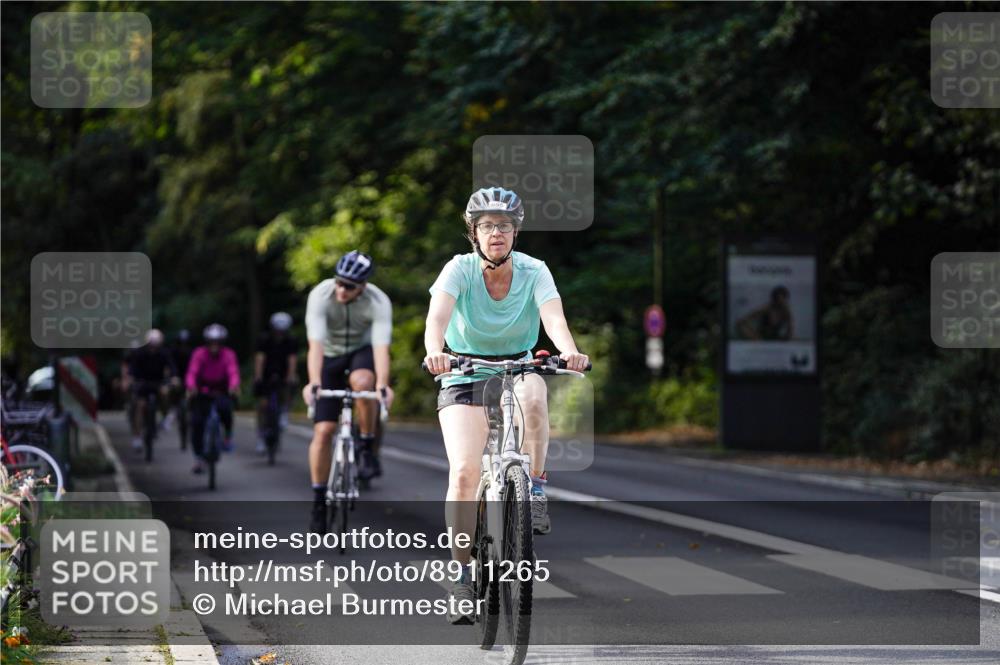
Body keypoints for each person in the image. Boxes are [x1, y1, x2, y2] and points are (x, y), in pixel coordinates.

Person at [423, 186, 589, 624]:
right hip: (465, 370)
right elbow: (437, 318)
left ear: (516, 232)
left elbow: (554, 319)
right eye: (487, 226)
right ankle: (461, 577)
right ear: (473, 233)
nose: (496, 233)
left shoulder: (535, 270)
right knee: (464, 472)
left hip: (517, 365)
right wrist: (435, 351)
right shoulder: (458, 270)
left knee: (534, 394)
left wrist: (570, 351)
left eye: (504, 226)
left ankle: (534, 487)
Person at [302, 250, 393, 533]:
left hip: (360, 353)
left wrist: (383, 385)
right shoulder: (320, 295)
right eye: (339, 282)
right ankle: (319, 501)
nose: (341, 290)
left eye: (349, 286)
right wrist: (313, 382)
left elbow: (381, 348)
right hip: (329, 356)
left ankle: (366, 447)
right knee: (323, 431)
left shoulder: (378, 301)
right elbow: (315, 346)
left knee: (364, 384)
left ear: (363, 286)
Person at [185, 324, 241, 474]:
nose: (214, 346)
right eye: (212, 342)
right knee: (197, 422)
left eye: (218, 342)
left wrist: (233, 386)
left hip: (221, 392)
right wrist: (191, 387)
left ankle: (227, 437)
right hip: (202, 392)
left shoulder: (228, 355)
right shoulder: (199, 354)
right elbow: (192, 372)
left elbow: (233, 372)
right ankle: (198, 457)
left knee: (227, 410)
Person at [125, 329, 178, 452]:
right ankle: (137, 437)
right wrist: (131, 379)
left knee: (165, 393)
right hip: (143, 383)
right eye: (151, 345)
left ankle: (165, 416)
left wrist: (174, 378)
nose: (153, 348)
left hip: (158, 383)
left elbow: (172, 368)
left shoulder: (164, 353)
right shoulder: (140, 353)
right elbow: (132, 370)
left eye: (156, 346)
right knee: (140, 406)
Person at [254, 312, 299, 454]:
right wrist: (258, 376)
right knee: (262, 406)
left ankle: (285, 410)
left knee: (292, 383)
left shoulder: (291, 341)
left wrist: (291, 375)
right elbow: (260, 358)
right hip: (267, 373)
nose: (279, 333)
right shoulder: (264, 339)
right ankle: (261, 437)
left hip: (283, 373)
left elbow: (292, 359)